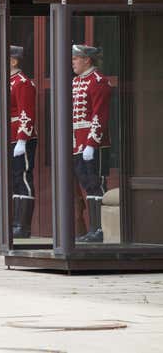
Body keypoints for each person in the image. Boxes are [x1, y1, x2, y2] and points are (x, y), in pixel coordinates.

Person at [0, 45, 37, 238]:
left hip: (18, 139)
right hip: (5, 138)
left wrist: (22, 139)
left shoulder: (22, 82)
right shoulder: (6, 82)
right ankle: (14, 223)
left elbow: (26, 113)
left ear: (14, 61)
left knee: (22, 179)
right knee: (11, 181)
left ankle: (22, 226)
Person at [72, 44, 111, 243]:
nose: (73, 62)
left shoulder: (98, 81)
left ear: (87, 60)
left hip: (94, 144)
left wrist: (91, 142)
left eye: (76, 59)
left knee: (97, 185)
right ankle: (93, 229)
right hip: (78, 143)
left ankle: (100, 229)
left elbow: (99, 115)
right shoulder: (77, 82)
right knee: (88, 186)